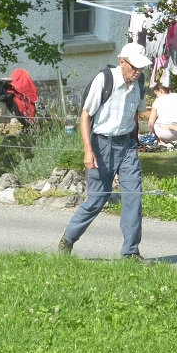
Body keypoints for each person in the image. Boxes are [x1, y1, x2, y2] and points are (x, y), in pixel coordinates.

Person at [58, 42, 152, 260]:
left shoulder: (140, 83)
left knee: (133, 197)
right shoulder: (105, 79)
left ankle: (130, 252)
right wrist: (88, 151)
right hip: (101, 145)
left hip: (127, 146)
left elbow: (138, 113)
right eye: (134, 67)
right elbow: (85, 115)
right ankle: (68, 239)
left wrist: (137, 141)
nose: (137, 72)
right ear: (122, 62)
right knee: (98, 199)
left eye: (141, 68)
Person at [148, 83, 177, 148]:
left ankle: (162, 142)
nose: (157, 96)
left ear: (161, 91)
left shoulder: (157, 100)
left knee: (154, 122)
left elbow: (150, 123)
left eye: (156, 94)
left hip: (163, 133)